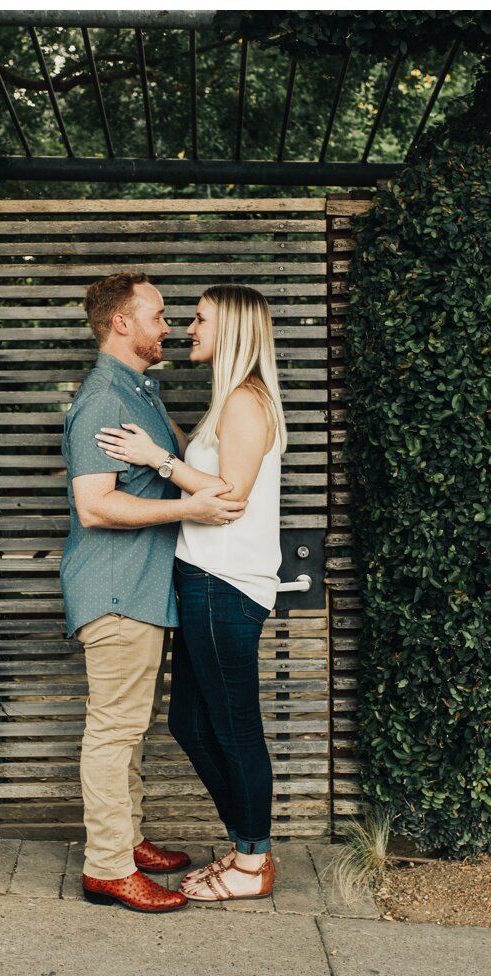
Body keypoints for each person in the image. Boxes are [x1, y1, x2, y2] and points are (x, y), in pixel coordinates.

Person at [62, 271, 247, 914]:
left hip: (140, 591)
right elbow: (95, 506)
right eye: (158, 314)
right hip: (115, 592)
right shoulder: (104, 399)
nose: (168, 326)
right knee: (113, 731)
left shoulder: (137, 390)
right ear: (122, 322)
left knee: (128, 729)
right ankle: (108, 867)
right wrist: (190, 510)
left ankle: (127, 839)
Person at [95, 284, 285, 902]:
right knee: (189, 723)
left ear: (229, 328)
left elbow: (229, 498)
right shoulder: (226, 403)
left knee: (234, 728)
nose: (187, 328)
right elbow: (208, 464)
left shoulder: (246, 403)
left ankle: (252, 862)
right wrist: (159, 432)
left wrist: (158, 460)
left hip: (224, 584)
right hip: (203, 581)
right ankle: (245, 845)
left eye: (200, 319)